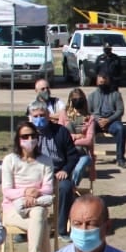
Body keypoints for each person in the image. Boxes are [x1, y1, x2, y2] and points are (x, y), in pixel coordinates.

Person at [2, 122, 55, 252]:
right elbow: (7, 191)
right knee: (41, 225)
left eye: (33, 136)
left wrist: (36, 192)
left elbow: (48, 187)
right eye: (25, 136)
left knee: (38, 214)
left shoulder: (45, 161)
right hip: (14, 209)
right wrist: (25, 193)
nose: (30, 139)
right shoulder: (10, 160)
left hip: (38, 206)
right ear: (18, 139)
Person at [30, 101, 80, 240]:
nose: (39, 118)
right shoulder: (28, 133)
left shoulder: (61, 131)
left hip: (58, 172)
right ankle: (25, 229)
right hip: (36, 174)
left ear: (48, 115)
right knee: (26, 189)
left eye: (42, 115)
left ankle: (61, 229)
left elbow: (73, 155)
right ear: (31, 117)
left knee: (65, 188)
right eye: (36, 116)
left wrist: (65, 170)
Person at [90, 72, 126, 169]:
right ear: (97, 82)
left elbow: (120, 110)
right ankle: (87, 157)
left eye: (105, 82)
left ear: (109, 82)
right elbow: (87, 111)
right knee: (86, 128)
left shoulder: (115, 95)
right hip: (97, 122)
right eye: (101, 82)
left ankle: (120, 158)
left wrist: (108, 120)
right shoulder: (92, 96)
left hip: (111, 122)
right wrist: (97, 119)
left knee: (121, 129)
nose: (103, 84)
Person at [59, 88, 96, 188]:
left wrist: (69, 140)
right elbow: (60, 135)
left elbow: (89, 141)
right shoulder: (64, 114)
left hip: (82, 153)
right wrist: (76, 137)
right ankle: (68, 191)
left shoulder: (90, 117)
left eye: (80, 99)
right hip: (66, 152)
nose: (78, 101)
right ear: (70, 101)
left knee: (78, 168)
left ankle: (71, 188)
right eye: (75, 99)